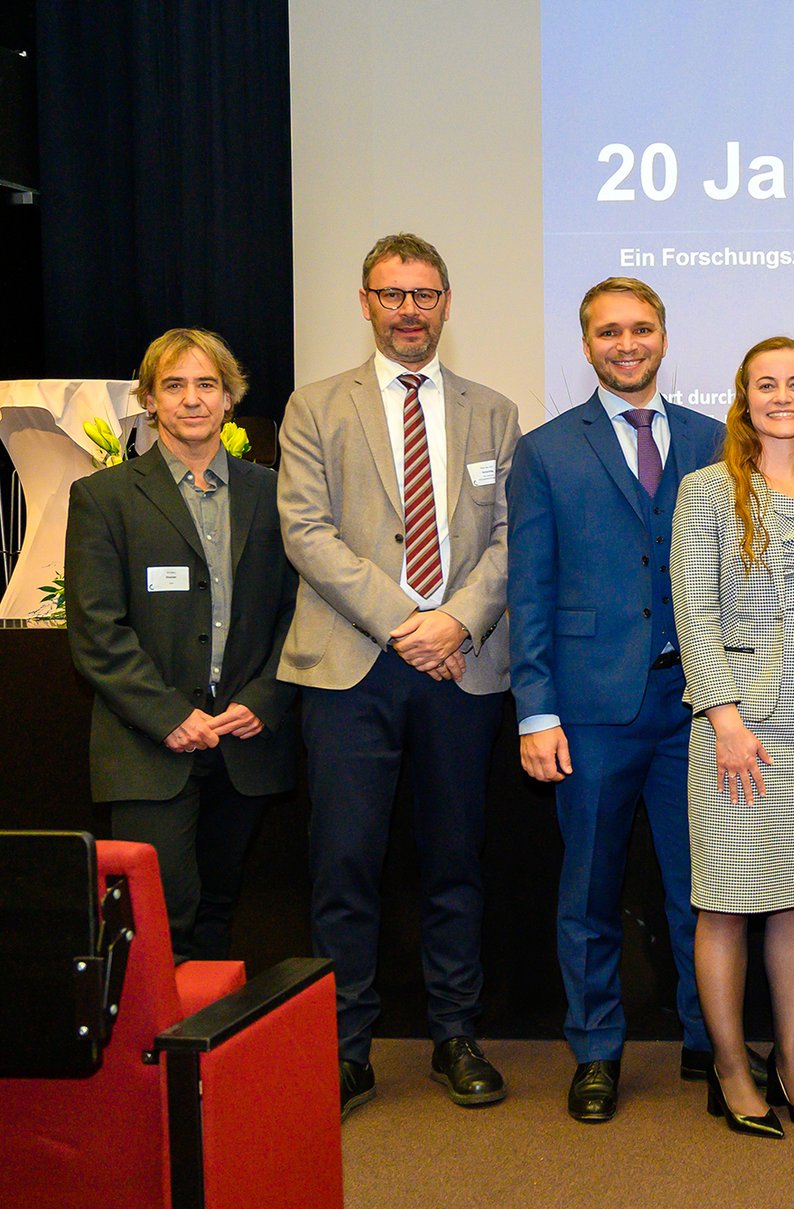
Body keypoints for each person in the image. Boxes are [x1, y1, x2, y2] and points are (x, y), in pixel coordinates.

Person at [278, 233, 518, 1116]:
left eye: (424, 295)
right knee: (345, 863)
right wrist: (404, 621)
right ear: (366, 301)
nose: (408, 310)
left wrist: (453, 621)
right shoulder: (313, 408)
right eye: (392, 294)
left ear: (447, 302)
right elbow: (306, 533)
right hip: (351, 667)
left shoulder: (493, 410)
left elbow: (509, 540)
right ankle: (346, 1048)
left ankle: (455, 1035)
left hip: (461, 664)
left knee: (455, 859)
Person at [509, 277, 724, 1122]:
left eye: (640, 329)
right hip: (590, 708)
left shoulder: (714, 439)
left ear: (664, 337)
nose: (625, 344)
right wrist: (535, 709)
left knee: (699, 885)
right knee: (589, 889)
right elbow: (530, 586)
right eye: (608, 333)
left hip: (695, 705)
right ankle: (595, 1048)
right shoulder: (548, 449)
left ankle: (710, 1038)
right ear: (587, 344)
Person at [670, 336, 794, 1139]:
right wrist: (724, 720)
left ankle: (791, 1060)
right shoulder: (708, 490)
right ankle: (729, 1068)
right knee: (724, 906)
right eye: (767, 385)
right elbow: (695, 612)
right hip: (737, 734)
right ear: (743, 397)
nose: (782, 396)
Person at [65, 328, 298, 962]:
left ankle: (208, 1054)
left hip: (242, 741)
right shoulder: (103, 498)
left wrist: (265, 699)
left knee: (221, 909)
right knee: (163, 913)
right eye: (174, 386)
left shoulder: (274, 493)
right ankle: (160, 1055)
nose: (191, 400)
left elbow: (298, 613)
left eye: (207, 385)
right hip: (148, 744)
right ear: (148, 399)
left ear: (230, 398)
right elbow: (96, 631)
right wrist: (171, 717)